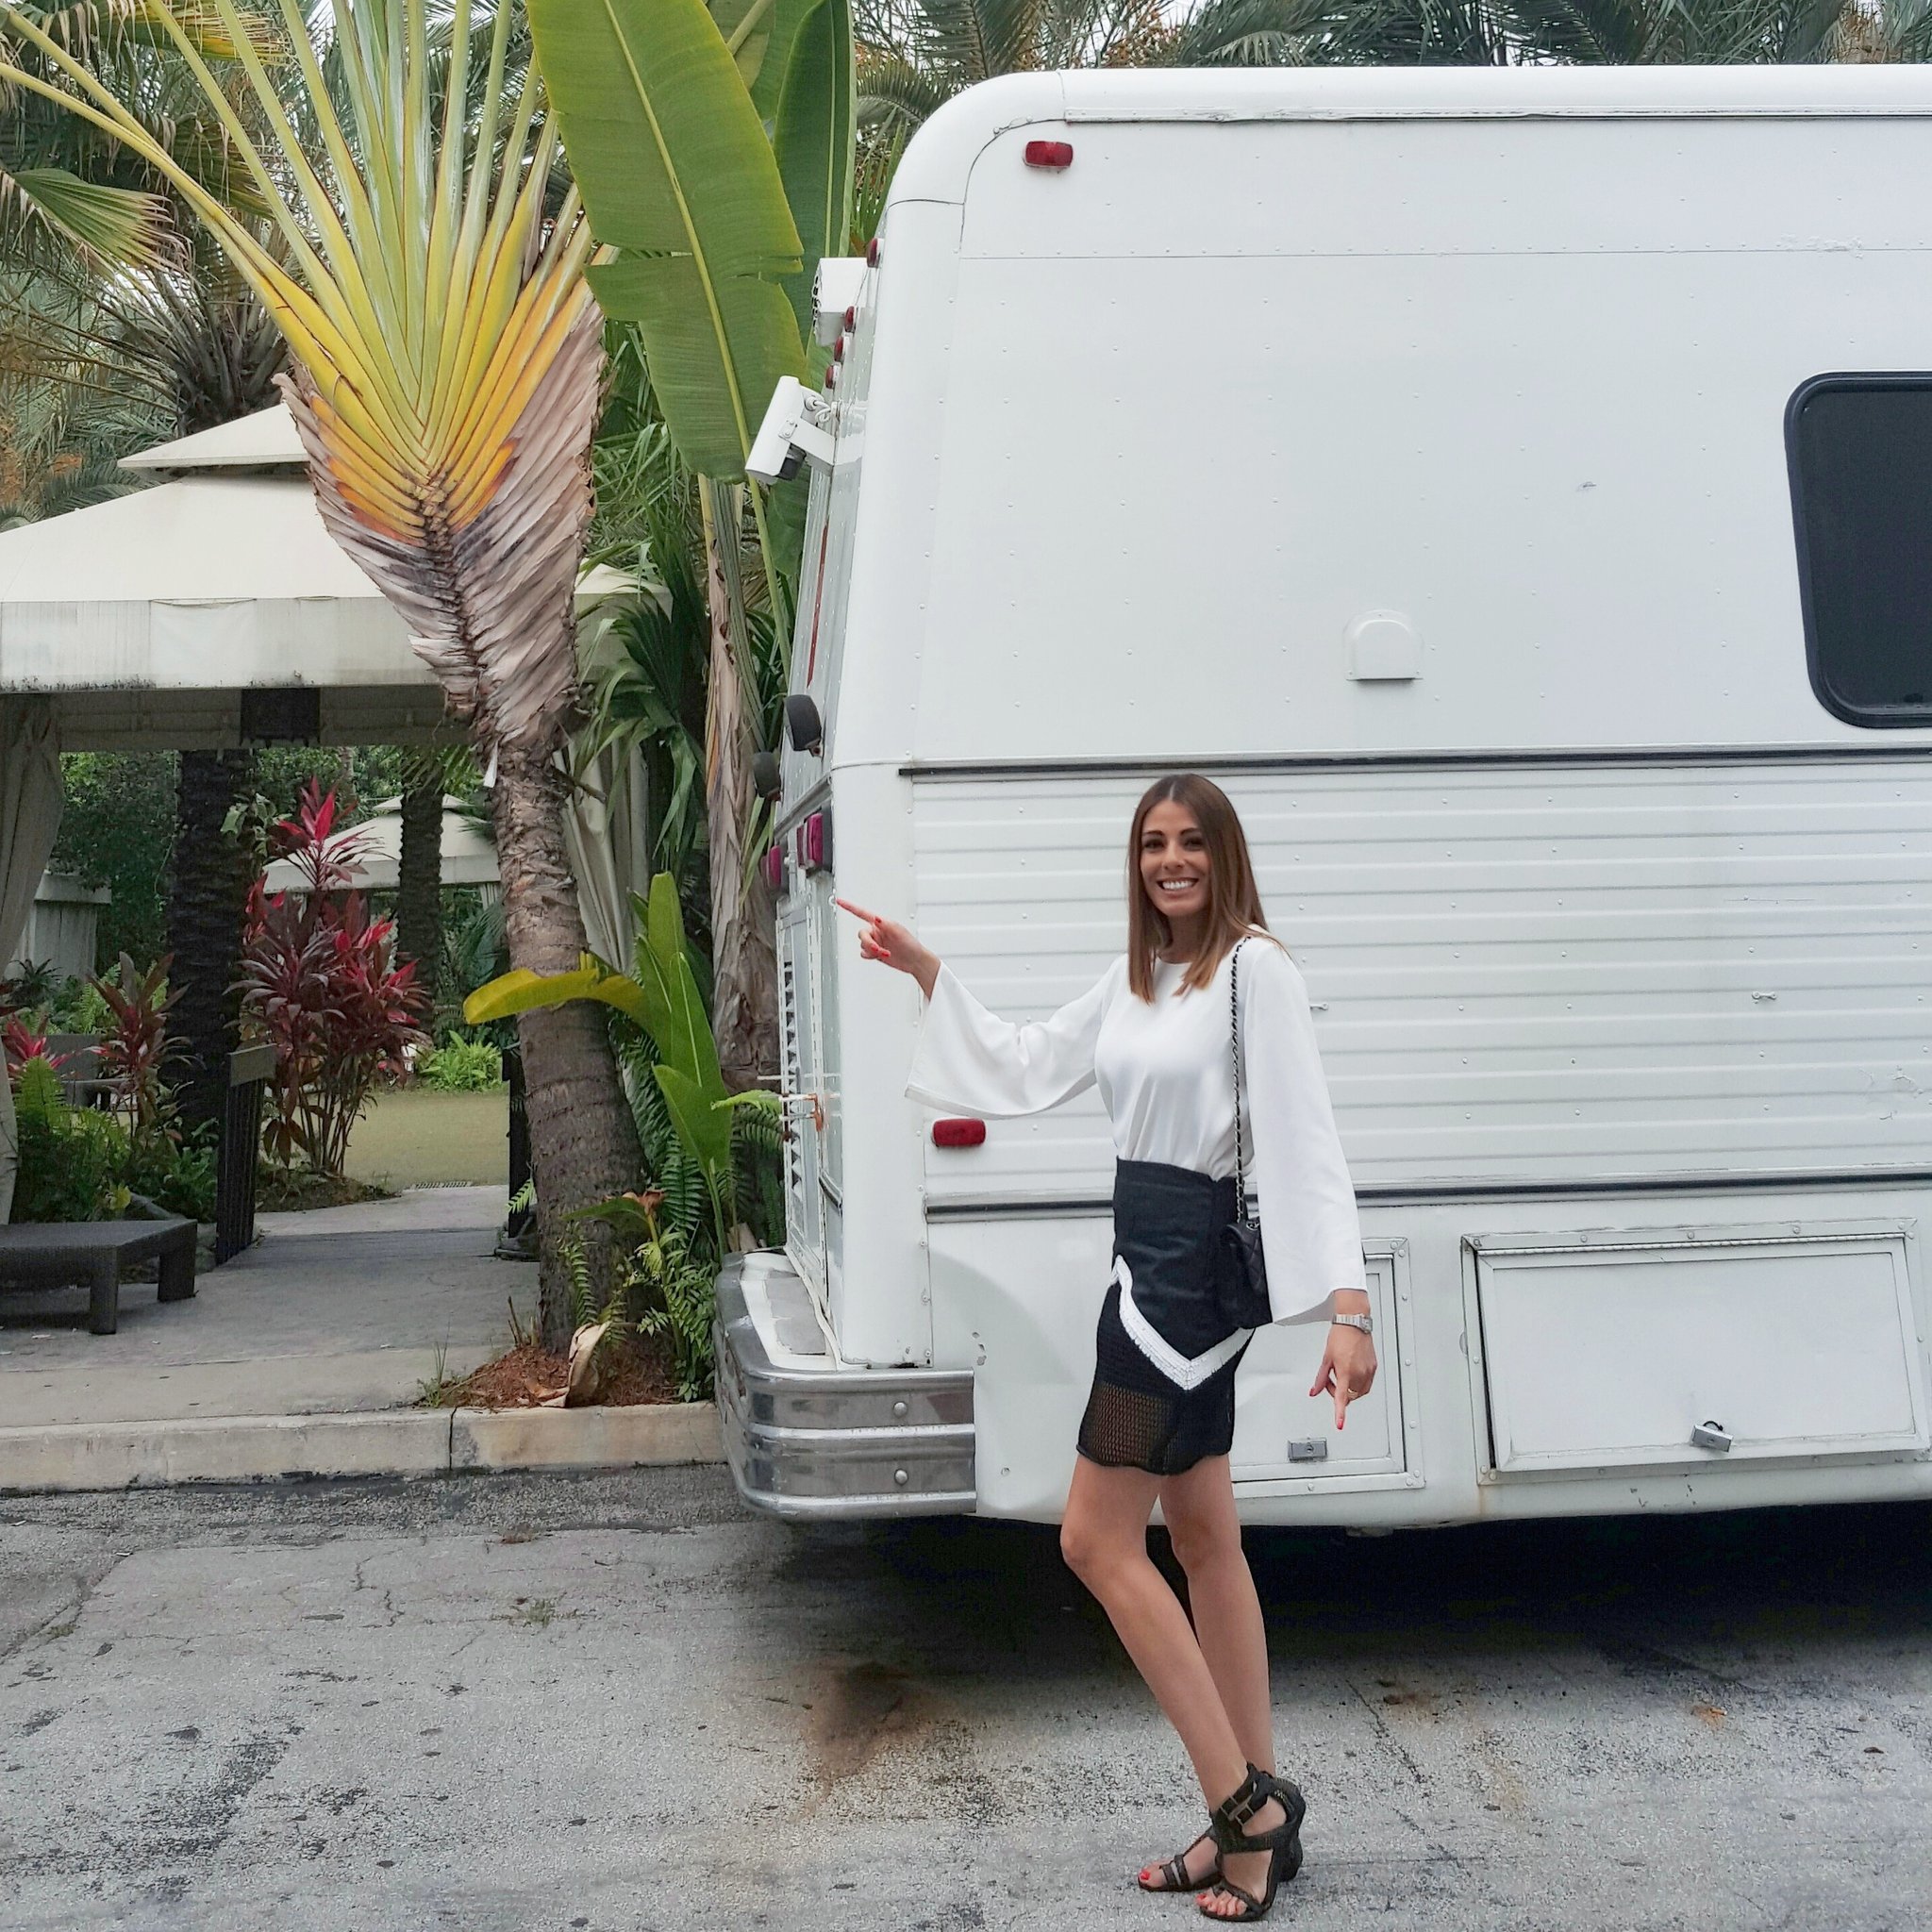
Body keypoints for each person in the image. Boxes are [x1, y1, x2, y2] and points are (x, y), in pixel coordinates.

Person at [836, 772, 1375, 1924]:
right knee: (1203, 1539)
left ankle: (1243, 1810)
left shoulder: (1254, 971)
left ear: (1224, 855)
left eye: (1190, 842)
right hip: (1143, 1269)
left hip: (1184, 1290)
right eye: (1151, 843)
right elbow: (1027, 1059)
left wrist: (1349, 1306)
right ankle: (1255, 1810)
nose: (1169, 860)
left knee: (1092, 1538)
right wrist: (928, 972)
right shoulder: (1140, 978)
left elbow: (1306, 1137)